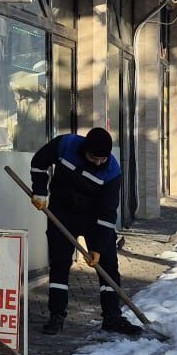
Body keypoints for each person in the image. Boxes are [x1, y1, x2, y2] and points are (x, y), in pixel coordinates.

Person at [29, 124, 136, 336]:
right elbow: (39, 163)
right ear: (85, 149)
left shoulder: (112, 171)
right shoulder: (65, 145)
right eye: (93, 157)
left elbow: (108, 212)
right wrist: (40, 191)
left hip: (94, 218)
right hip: (62, 213)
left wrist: (99, 247)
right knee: (59, 264)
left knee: (108, 265)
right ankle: (56, 315)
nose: (98, 163)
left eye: (102, 159)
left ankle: (112, 317)